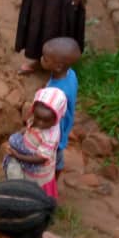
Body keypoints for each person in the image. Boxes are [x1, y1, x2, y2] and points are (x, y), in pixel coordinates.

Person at [3, 86, 68, 200]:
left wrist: (17, 156)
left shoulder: (50, 136)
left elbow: (41, 158)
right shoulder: (37, 119)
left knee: (34, 191)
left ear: (57, 118)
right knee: (24, 181)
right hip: (28, 153)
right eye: (37, 117)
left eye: (46, 120)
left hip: (39, 167)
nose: (40, 123)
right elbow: (29, 127)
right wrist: (20, 134)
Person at [41, 37, 81, 177]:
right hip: (64, 124)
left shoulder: (57, 92)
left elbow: (50, 118)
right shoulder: (71, 74)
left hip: (55, 132)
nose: (41, 59)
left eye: (45, 59)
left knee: (54, 157)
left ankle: (53, 178)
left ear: (58, 66)